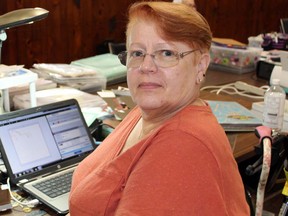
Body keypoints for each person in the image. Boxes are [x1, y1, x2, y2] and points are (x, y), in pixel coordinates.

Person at [69, 2, 250, 215]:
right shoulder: (146, 113)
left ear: (200, 65)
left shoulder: (184, 144)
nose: (146, 67)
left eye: (166, 53)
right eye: (137, 53)